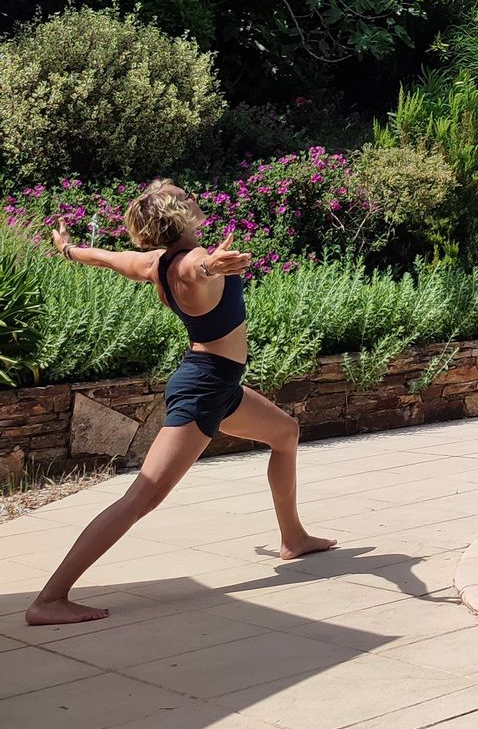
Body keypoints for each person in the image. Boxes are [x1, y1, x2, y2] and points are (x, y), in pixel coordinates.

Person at [26, 180, 334, 627]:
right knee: (142, 497)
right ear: (177, 212)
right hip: (204, 388)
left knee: (285, 432)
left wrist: (69, 248)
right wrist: (214, 264)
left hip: (217, 383)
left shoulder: (154, 261)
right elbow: (200, 270)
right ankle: (49, 599)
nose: (194, 196)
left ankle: (294, 536)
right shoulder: (191, 263)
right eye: (186, 194)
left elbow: (107, 259)